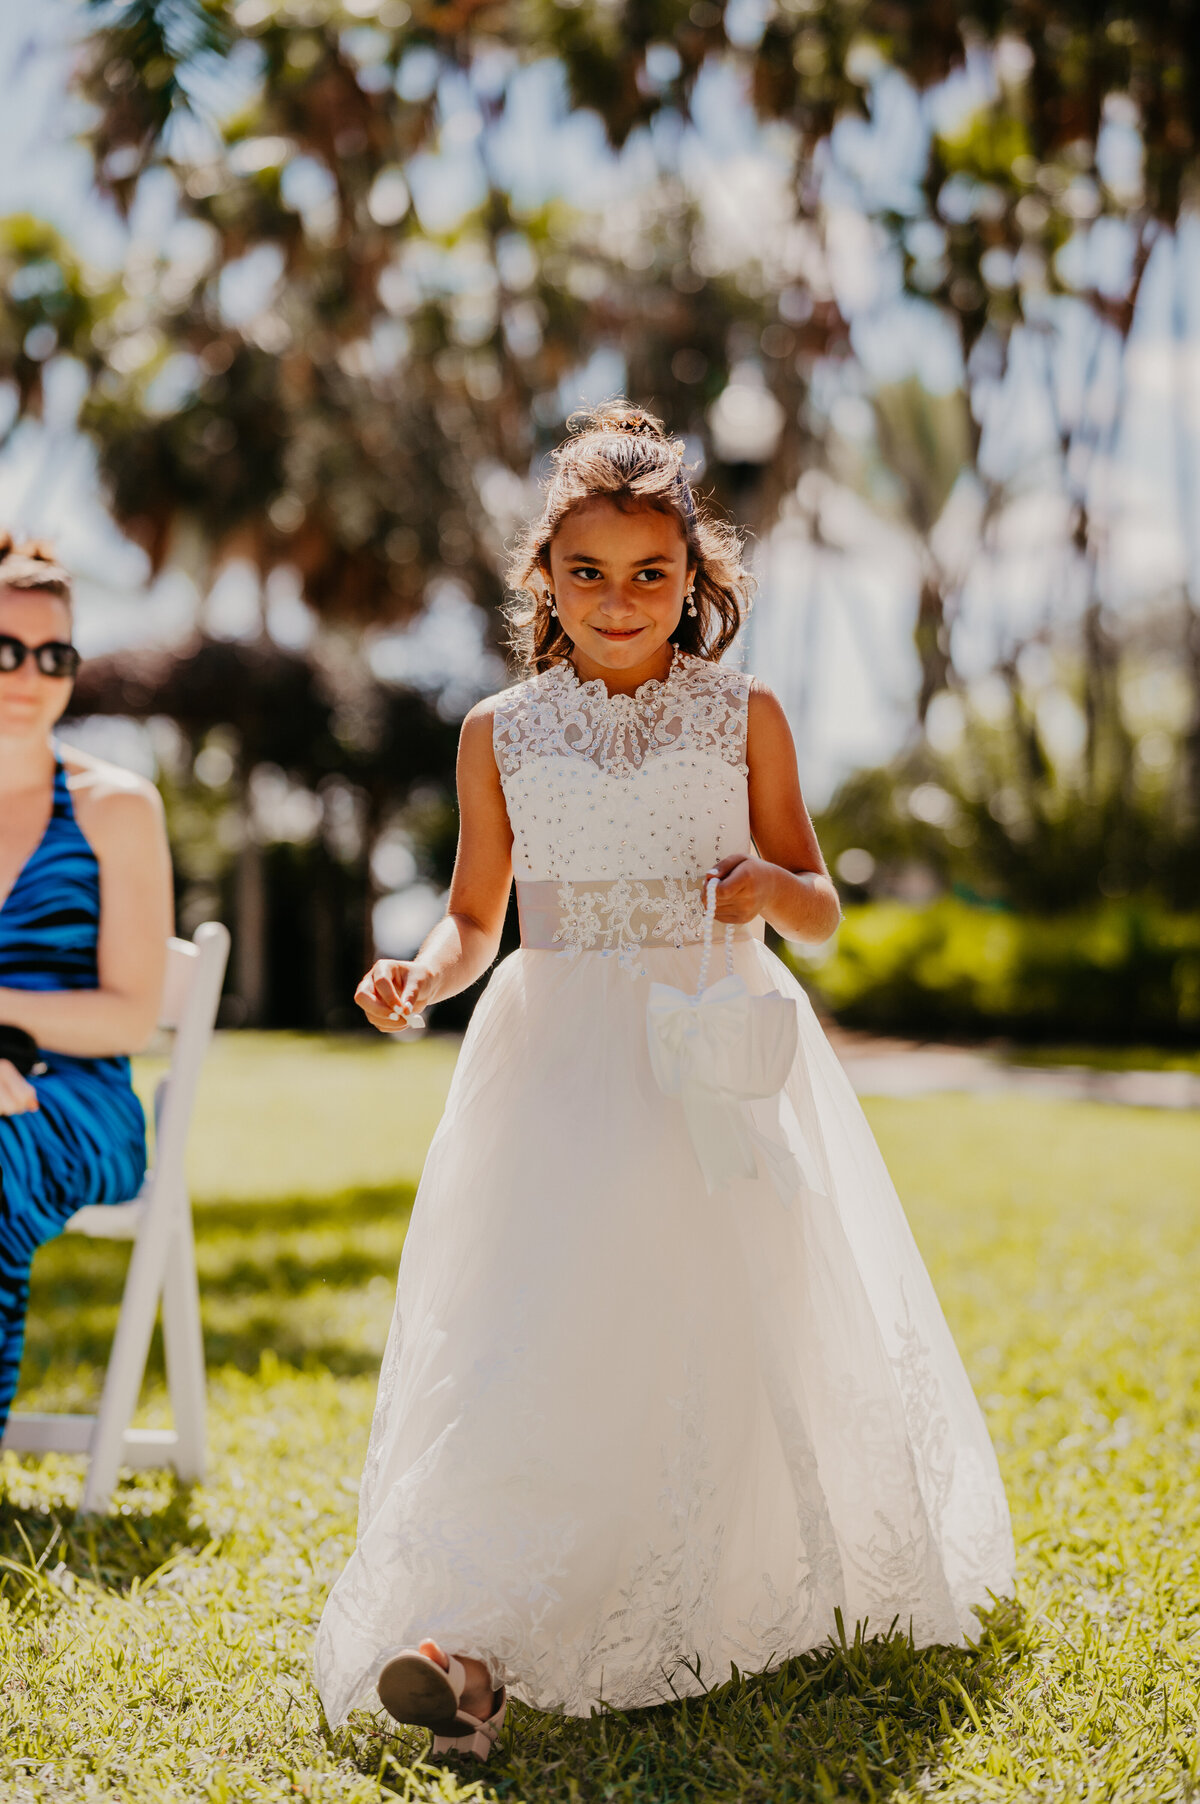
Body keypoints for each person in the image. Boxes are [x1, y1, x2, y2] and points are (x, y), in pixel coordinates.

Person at [314, 406, 1014, 1758]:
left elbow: (815, 910)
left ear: (696, 586)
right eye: (590, 574)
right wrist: (422, 972)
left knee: (729, 1313)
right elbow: (476, 915)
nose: (621, 601)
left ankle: (734, 1572)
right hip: (560, 1060)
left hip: (718, 1048)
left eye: (651, 576)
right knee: (544, 1322)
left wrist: (766, 885)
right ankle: (471, 1638)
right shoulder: (500, 732)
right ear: (546, 583)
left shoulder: (743, 715)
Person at [0, 537, 172, 1437]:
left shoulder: (115, 807)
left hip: (86, 1102)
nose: (30, 673)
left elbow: (130, 1017)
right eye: (6, 649)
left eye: (54, 654)